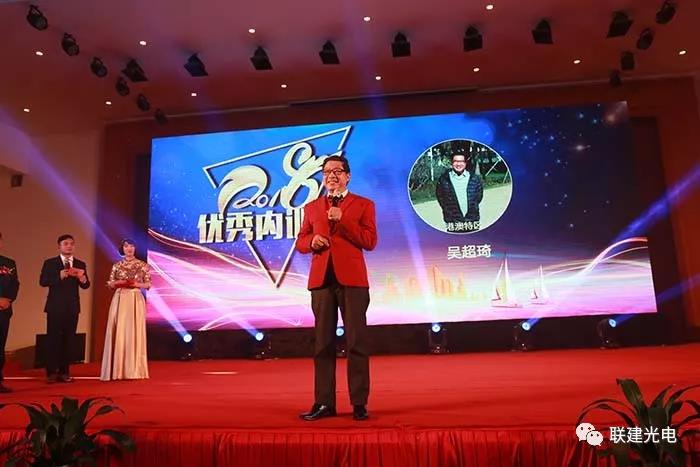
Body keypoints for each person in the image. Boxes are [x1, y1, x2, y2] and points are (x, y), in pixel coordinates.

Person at [295, 155, 378, 421]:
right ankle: (324, 403)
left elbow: (370, 241)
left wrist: (344, 220)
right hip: (322, 281)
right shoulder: (312, 207)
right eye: (327, 171)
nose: (331, 175)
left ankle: (359, 403)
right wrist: (312, 241)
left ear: (348, 176)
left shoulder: (364, 204)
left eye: (337, 171)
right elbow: (301, 241)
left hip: (352, 281)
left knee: (356, 342)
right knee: (322, 344)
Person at [39, 234, 90, 383]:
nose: (69, 246)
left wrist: (82, 279)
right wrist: (59, 276)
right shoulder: (50, 263)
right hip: (55, 307)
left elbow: (86, 285)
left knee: (69, 340)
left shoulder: (80, 264)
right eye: (65, 243)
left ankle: (64, 372)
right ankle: (51, 372)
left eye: (71, 244)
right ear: (59, 246)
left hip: (72, 307)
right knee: (53, 339)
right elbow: (43, 281)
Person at [101, 239, 150, 381]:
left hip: (135, 297)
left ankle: (134, 369)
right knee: (120, 330)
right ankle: (117, 369)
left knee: (134, 331)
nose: (129, 248)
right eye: (126, 246)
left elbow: (148, 284)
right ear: (122, 248)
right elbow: (110, 284)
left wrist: (136, 284)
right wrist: (118, 283)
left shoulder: (143, 265)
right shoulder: (117, 266)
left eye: (132, 246)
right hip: (120, 297)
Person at [435, 152, 483, 233]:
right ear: (452, 163)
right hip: (452, 220)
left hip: (472, 219)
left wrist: (472, 208)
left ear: (465, 163)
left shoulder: (474, 178)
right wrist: (448, 211)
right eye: (455, 161)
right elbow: (440, 197)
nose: (458, 164)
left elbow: (478, 197)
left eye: (461, 161)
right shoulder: (444, 179)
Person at [0, 232, 20, 393]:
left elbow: (15, 285)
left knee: (0, 345)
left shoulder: (9, 263)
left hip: (4, 309)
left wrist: (8, 300)